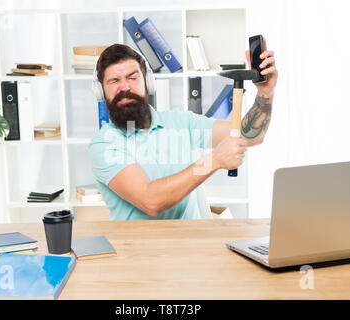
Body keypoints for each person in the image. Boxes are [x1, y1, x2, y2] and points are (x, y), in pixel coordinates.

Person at [89, 42, 277, 220]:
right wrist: (214, 161)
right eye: (114, 81)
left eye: (132, 77)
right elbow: (150, 201)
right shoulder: (104, 144)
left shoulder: (180, 122)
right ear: (100, 91)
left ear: (148, 82)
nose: (125, 87)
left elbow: (248, 136)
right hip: (141, 251)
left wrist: (265, 92)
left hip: (195, 245)